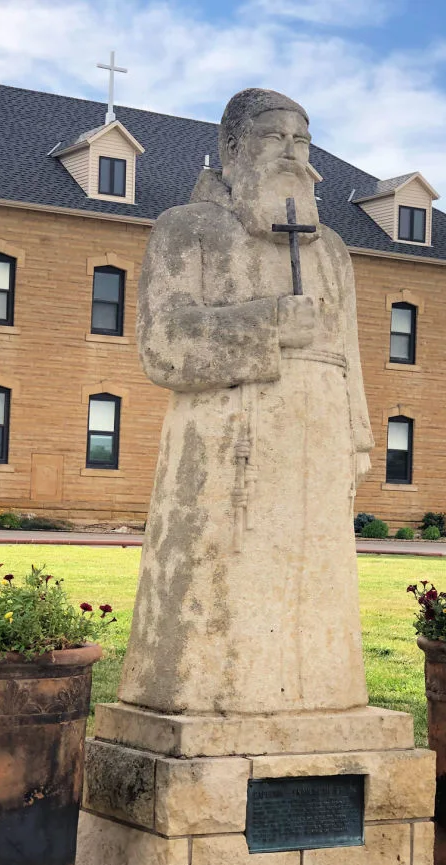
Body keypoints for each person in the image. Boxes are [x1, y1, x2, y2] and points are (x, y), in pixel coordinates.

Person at [119, 88, 374, 716]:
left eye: (301, 140)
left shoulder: (333, 250)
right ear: (233, 148)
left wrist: (358, 437)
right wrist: (268, 325)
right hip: (225, 446)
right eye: (272, 136)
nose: (291, 151)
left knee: (315, 595)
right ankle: (214, 699)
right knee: (224, 594)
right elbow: (163, 346)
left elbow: (349, 353)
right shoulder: (188, 230)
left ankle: (321, 704)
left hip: (318, 447)